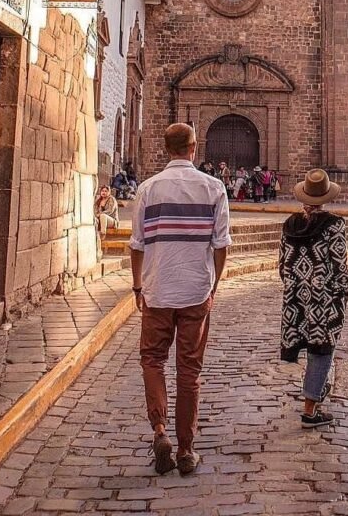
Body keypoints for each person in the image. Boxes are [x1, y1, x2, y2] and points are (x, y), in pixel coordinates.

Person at [130, 123, 232, 476]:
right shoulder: (214, 187)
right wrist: (214, 285)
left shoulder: (147, 189)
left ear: (166, 149)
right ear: (193, 148)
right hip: (195, 291)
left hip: (157, 289)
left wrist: (137, 287)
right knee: (189, 371)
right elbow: (221, 245)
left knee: (152, 360)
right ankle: (187, 450)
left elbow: (137, 245)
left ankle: (159, 431)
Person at [279, 169, 348, 428]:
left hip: (296, 296)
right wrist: (344, 290)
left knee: (311, 345)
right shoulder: (334, 225)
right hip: (324, 297)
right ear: (325, 197)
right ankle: (310, 409)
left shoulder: (290, 224)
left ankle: (319, 388)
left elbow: (282, 265)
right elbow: (340, 264)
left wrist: (296, 285)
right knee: (322, 348)